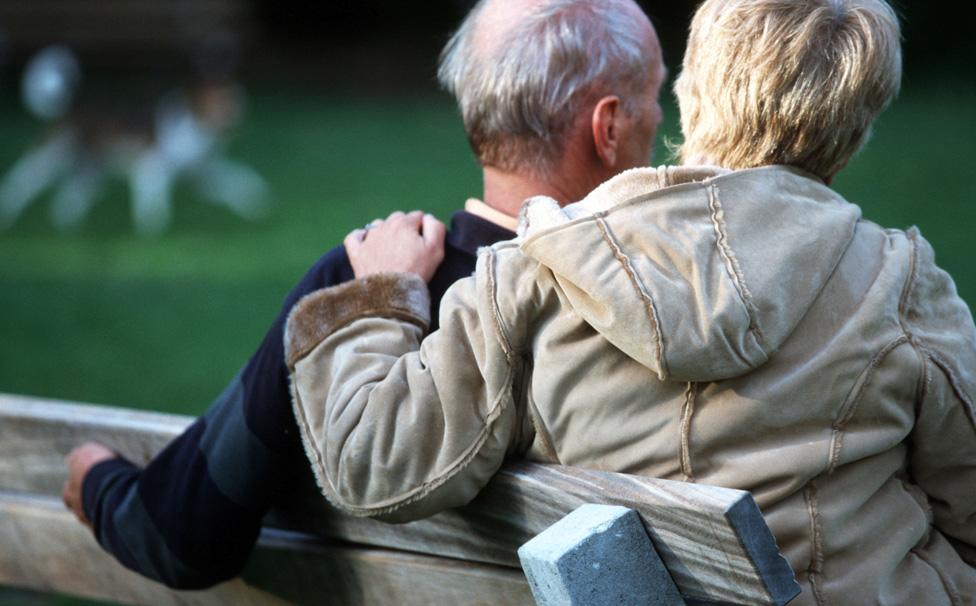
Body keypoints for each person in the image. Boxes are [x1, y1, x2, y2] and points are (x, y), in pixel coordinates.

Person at [286, 0, 976, 603]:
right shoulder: (898, 283)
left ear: (695, 88)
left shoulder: (538, 270)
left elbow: (375, 459)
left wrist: (377, 305)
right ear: (857, 122)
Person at [61, 0, 666, 589]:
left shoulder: (365, 289)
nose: (663, 119)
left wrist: (99, 483)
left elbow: (182, 534)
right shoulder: (676, 298)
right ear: (608, 127)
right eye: (655, 98)